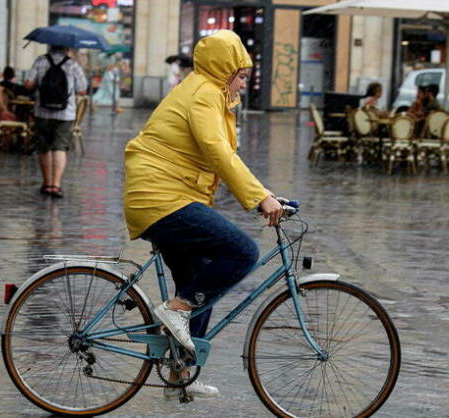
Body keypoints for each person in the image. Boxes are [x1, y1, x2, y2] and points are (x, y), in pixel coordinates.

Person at [123, 30, 283, 400]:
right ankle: (175, 311)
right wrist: (259, 197)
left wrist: (269, 195)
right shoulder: (204, 94)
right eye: (241, 75)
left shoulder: (208, 92)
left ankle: (181, 374)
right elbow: (217, 152)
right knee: (242, 252)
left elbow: (216, 157)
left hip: (167, 196)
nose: (244, 82)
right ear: (223, 70)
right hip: (161, 198)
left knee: (201, 284)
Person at [22, 45, 88, 199]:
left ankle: (46, 183)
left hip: (42, 111)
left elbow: (28, 85)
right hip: (65, 113)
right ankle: (55, 185)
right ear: (67, 49)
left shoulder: (40, 61)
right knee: (60, 147)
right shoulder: (72, 64)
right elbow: (82, 89)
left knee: (44, 147)